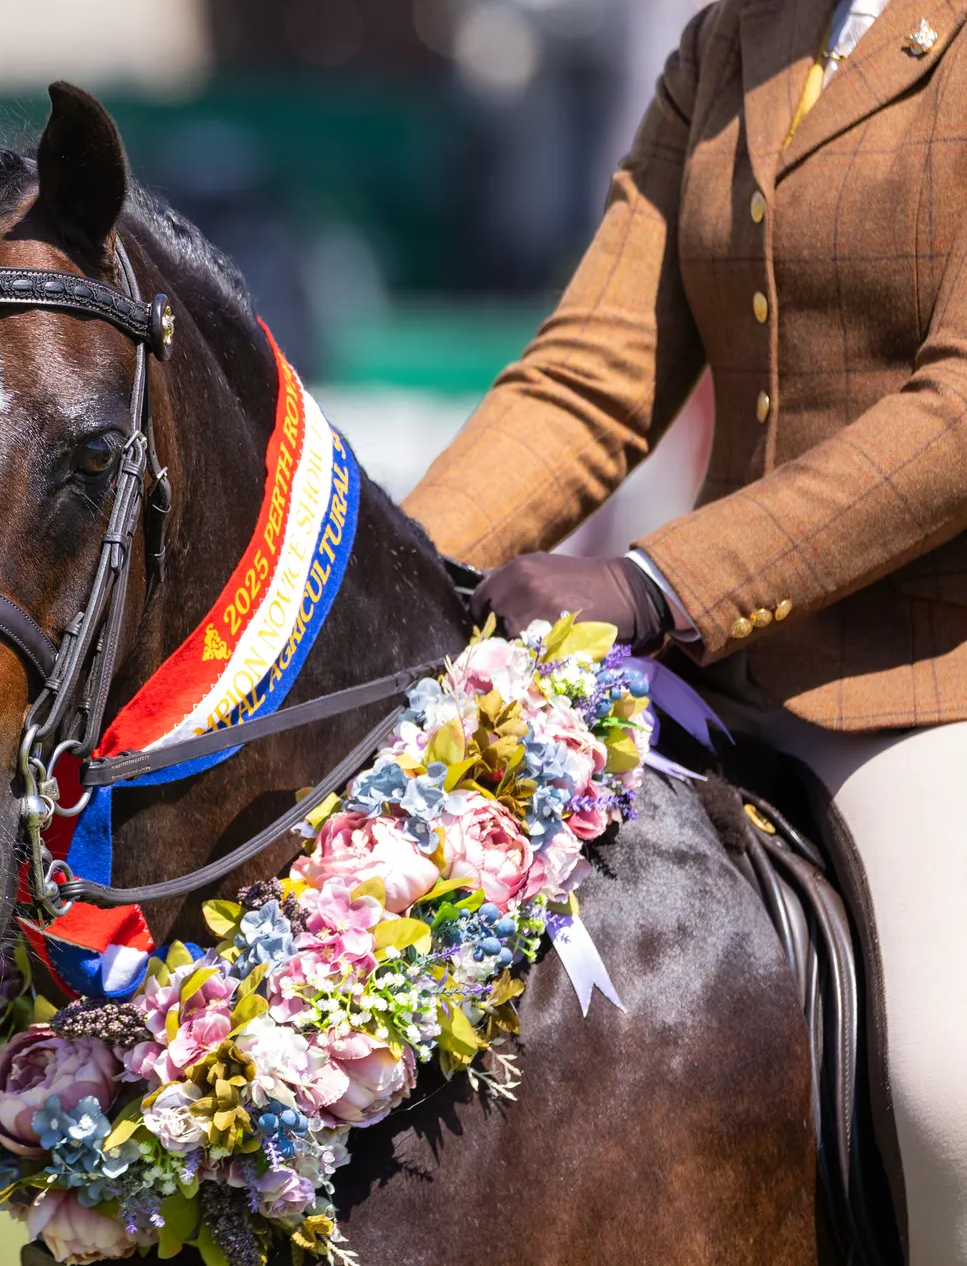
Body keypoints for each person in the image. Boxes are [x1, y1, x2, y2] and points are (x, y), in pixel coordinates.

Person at [403, 1, 967, 1260]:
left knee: (950, 1091)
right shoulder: (736, 35)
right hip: (721, 685)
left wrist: (657, 580)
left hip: (936, 686)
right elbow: (590, 372)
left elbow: (958, 409)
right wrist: (380, 583)